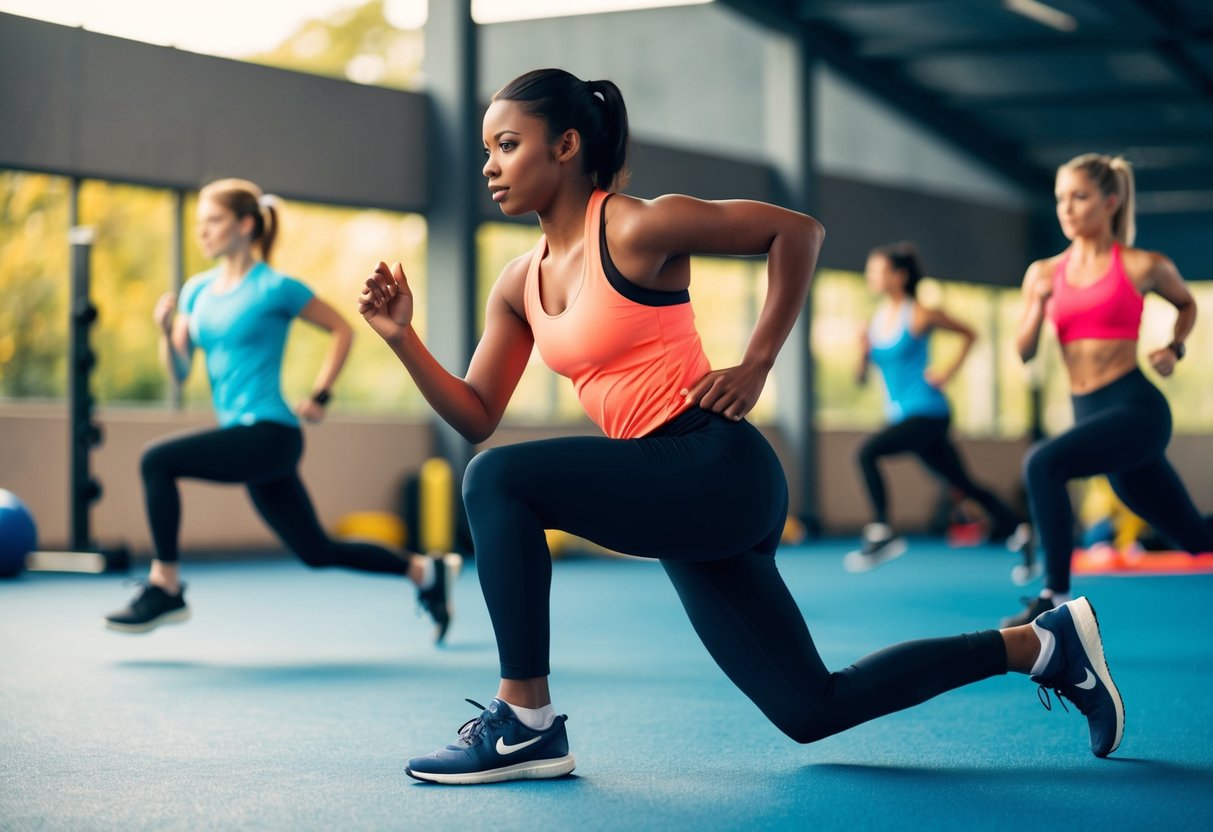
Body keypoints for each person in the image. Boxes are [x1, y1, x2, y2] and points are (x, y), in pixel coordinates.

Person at [360, 69, 1123, 784]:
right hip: (670, 493)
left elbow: (798, 232)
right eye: (487, 149)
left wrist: (757, 362)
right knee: (809, 709)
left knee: (498, 478)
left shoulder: (632, 227)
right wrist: (402, 338)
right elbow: (475, 413)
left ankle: (525, 717)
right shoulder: (517, 282)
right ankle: (1039, 644)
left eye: (507, 144)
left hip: (712, 463)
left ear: (565, 147)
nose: (490, 165)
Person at [104, 178, 460, 642]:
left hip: (271, 434)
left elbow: (342, 330)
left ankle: (165, 586)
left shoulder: (275, 287)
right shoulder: (196, 292)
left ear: (246, 224)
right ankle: (426, 572)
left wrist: (320, 394)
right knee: (315, 550)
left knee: (157, 461)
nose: (202, 232)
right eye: (198, 223)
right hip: (244, 438)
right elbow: (178, 369)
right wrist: (164, 331)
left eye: (213, 221)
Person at [1004, 153, 1213, 626]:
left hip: (1137, 411)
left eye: (1079, 197)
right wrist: (1037, 307)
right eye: (1061, 198)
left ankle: (1053, 596)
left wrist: (1173, 348)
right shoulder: (1043, 274)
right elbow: (1023, 351)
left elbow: (1186, 304)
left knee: (1042, 462)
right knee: (1196, 539)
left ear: (1111, 201)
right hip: (1093, 418)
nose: (1067, 208)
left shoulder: (1143, 265)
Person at [847, 242, 1030, 572]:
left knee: (866, 453)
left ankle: (882, 532)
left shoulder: (919, 313)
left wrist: (948, 371)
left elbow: (969, 334)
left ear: (900, 276)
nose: (870, 275)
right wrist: (861, 351)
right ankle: (1019, 527)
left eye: (878, 270)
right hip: (903, 414)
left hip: (929, 412)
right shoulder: (876, 321)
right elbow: (859, 379)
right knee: (961, 481)